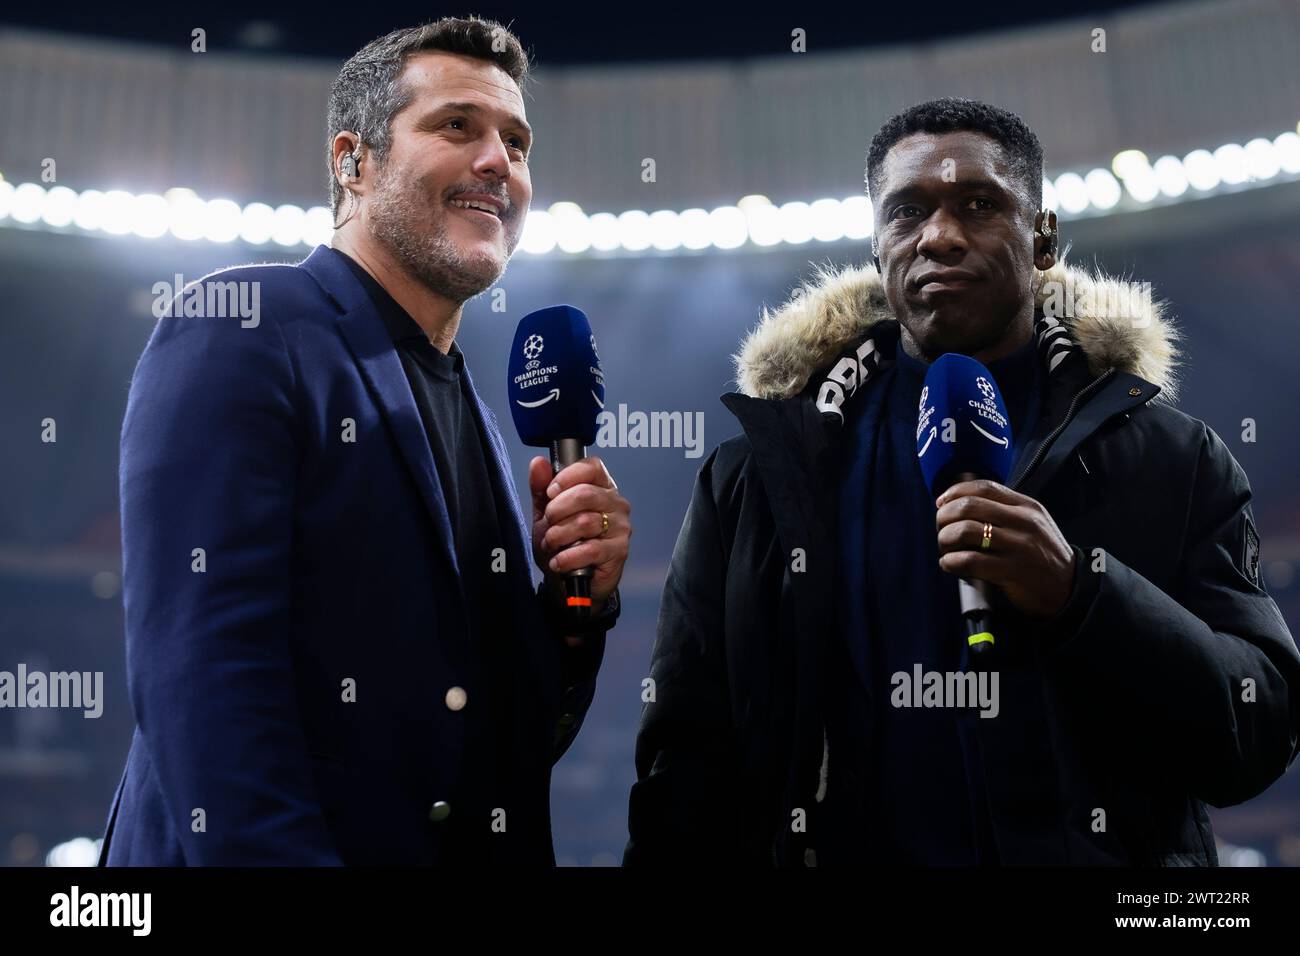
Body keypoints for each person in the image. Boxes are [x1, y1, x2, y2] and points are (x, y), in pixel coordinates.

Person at [625, 98, 1299, 866]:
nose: (939, 237)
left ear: (1042, 238)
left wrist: (1083, 596)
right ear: (877, 247)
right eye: (908, 212)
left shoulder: (1172, 458)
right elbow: (683, 760)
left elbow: (1260, 729)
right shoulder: (755, 477)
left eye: (980, 206)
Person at [99, 17, 631, 866]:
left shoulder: (486, 426)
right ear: (354, 161)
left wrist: (579, 610)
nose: (500, 162)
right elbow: (205, 683)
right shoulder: (245, 324)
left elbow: (505, 748)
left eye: (517, 142)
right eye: (457, 126)